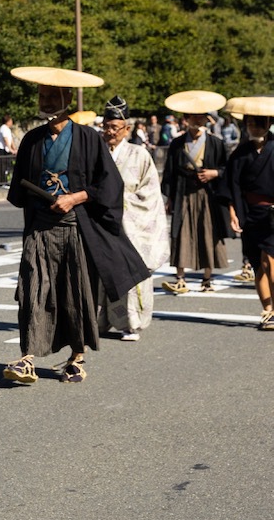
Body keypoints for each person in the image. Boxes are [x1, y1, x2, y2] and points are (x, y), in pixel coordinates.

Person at [2, 67, 150, 385]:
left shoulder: (88, 138)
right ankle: (28, 356)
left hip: (75, 228)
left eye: (52, 96)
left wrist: (76, 197)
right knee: (32, 290)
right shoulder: (32, 139)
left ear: (67, 98)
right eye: (42, 96)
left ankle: (76, 357)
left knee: (76, 293)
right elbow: (19, 190)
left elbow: (109, 185)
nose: (46, 101)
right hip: (40, 228)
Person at [98, 97, 167, 340]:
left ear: (127, 129)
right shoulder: (96, 152)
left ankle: (131, 322)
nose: (110, 132)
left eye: (115, 127)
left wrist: (121, 202)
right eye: (106, 126)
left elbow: (150, 194)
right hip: (101, 223)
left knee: (128, 272)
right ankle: (99, 321)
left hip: (131, 225)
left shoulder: (139, 155)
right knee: (99, 271)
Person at [160, 91, 230, 294]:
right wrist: (169, 197)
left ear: (206, 119)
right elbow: (170, 172)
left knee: (208, 233)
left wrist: (214, 173)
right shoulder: (177, 143)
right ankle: (180, 277)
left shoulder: (216, 143)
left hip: (207, 194)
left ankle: (207, 278)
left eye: (201, 117)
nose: (198, 121)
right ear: (186, 119)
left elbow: (227, 169)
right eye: (194, 117)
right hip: (183, 192)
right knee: (181, 234)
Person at [224, 99, 274, 329]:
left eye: (258, 123)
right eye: (250, 123)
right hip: (249, 212)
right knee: (257, 264)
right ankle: (267, 309)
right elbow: (230, 185)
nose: (253, 127)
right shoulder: (240, 152)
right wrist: (233, 212)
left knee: (269, 259)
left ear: (268, 124)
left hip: (272, 213)